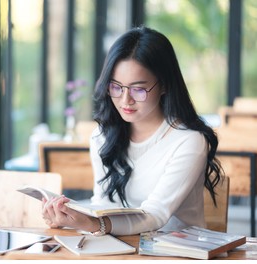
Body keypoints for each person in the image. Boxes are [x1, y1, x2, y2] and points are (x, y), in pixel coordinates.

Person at [42, 26, 223, 236]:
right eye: (116, 87)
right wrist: (67, 217)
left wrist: (94, 225)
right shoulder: (102, 136)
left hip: (175, 254)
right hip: (119, 249)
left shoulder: (188, 141)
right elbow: (102, 203)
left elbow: (155, 214)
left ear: (164, 85)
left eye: (138, 89)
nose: (125, 100)